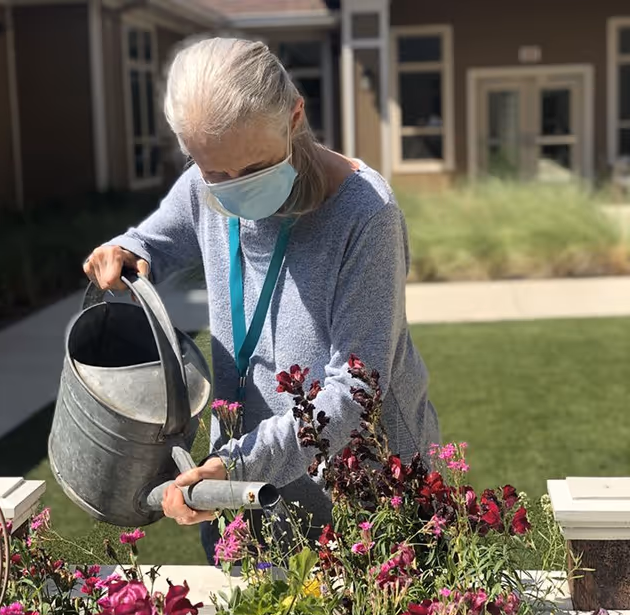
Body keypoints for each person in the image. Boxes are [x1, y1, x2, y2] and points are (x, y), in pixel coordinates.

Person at [83, 36, 440, 562]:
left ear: (295, 116)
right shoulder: (207, 183)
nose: (229, 190)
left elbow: (356, 391)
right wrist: (126, 249)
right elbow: (156, 239)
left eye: (251, 171)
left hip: (364, 494)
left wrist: (237, 463)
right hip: (245, 486)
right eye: (212, 172)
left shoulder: (366, 216)